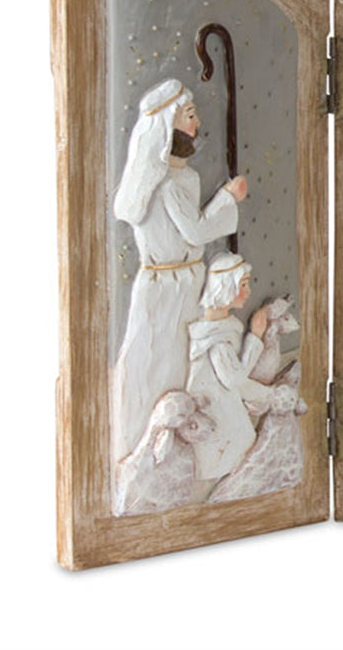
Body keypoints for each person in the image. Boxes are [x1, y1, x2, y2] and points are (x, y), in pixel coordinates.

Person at [110, 79, 248, 461]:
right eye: (189, 116)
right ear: (168, 127)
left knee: (171, 357)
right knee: (164, 357)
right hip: (171, 286)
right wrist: (227, 198)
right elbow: (196, 231)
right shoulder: (169, 183)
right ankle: (149, 440)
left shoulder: (178, 177)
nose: (197, 123)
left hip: (178, 281)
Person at [186, 253, 276, 481]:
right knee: (240, 442)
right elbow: (234, 379)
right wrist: (255, 336)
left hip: (219, 397)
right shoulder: (216, 338)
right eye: (243, 285)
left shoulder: (219, 326)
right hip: (215, 403)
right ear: (226, 287)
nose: (248, 291)